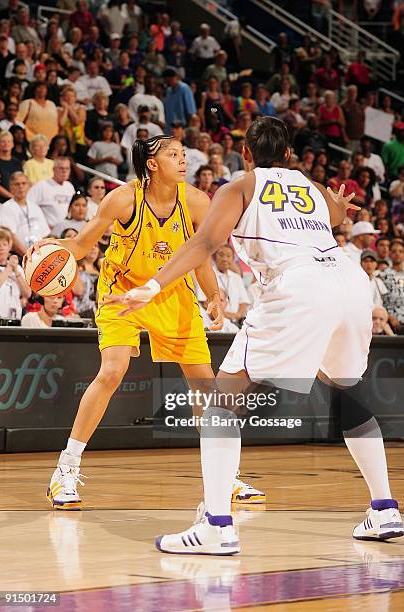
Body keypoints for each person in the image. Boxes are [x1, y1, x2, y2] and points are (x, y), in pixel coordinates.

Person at [119, 117, 403, 554]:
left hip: (300, 285)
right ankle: (384, 509)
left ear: (246, 155)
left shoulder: (240, 187)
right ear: (289, 155)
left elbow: (203, 244)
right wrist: (341, 209)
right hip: (349, 282)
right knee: (346, 390)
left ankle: (216, 524)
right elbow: (333, 213)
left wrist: (153, 284)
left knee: (221, 400)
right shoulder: (309, 184)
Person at [26, 134, 261, 510]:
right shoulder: (123, 197)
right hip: (122, 291)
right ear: (152, 164)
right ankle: (65, 470)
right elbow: (82, 245)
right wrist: (50, 245)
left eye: (183, 154)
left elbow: (199, 254)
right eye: (173, 154)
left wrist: (213, 294)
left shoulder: (197, 200)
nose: (183, 160)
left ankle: (224, 476)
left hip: (170, 291)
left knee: (204, 382)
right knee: (113, 371)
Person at [0, 172, 49, 255]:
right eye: (17, 184)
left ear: (28, 186)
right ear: (11, 188)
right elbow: (10, 236)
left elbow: (44, 234)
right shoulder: (6, 208)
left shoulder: (35, 207)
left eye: (23, 183)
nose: (21, 186)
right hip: (19, 256)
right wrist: (27, 256)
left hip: (39, 256)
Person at [27, 157, 75, 228]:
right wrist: (42, 225)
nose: (64, 171)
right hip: (49, 231)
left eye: (67, 168)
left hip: (68, 230)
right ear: (53, 169)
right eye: (61, 168)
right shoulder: (41, 186)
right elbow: (28, 207)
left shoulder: (69, 186)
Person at [0, 227, 30, 320]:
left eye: (4, 244)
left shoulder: (17, 268)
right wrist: (9, 268)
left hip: (15, 317)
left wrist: (16, 271)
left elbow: (27, 293)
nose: (2, 248)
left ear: (9, 247)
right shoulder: (10, 267)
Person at [0, 130, 23, 202]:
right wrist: (11, 197)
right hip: (0, 201)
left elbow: (20, 180)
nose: (6, 144)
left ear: (12, 144)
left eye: (9, 141)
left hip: (16, 199)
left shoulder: (17, 162)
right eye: (3, 141)